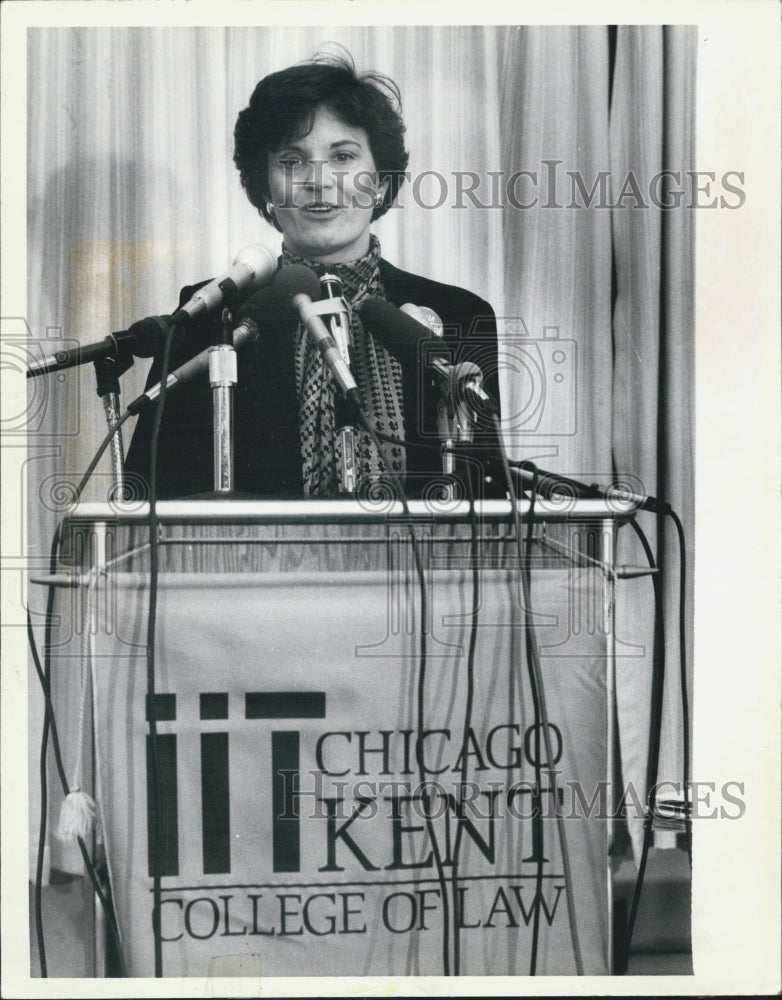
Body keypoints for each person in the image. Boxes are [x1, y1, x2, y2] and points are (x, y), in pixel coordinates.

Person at [125, 52, 501, 500]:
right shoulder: (211, 313)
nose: (319, 181)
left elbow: (486, 494)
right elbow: (150, 496)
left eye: (342, 156)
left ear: (380, 182)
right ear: (265, 188)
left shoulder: (459, 314)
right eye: (291, 161)